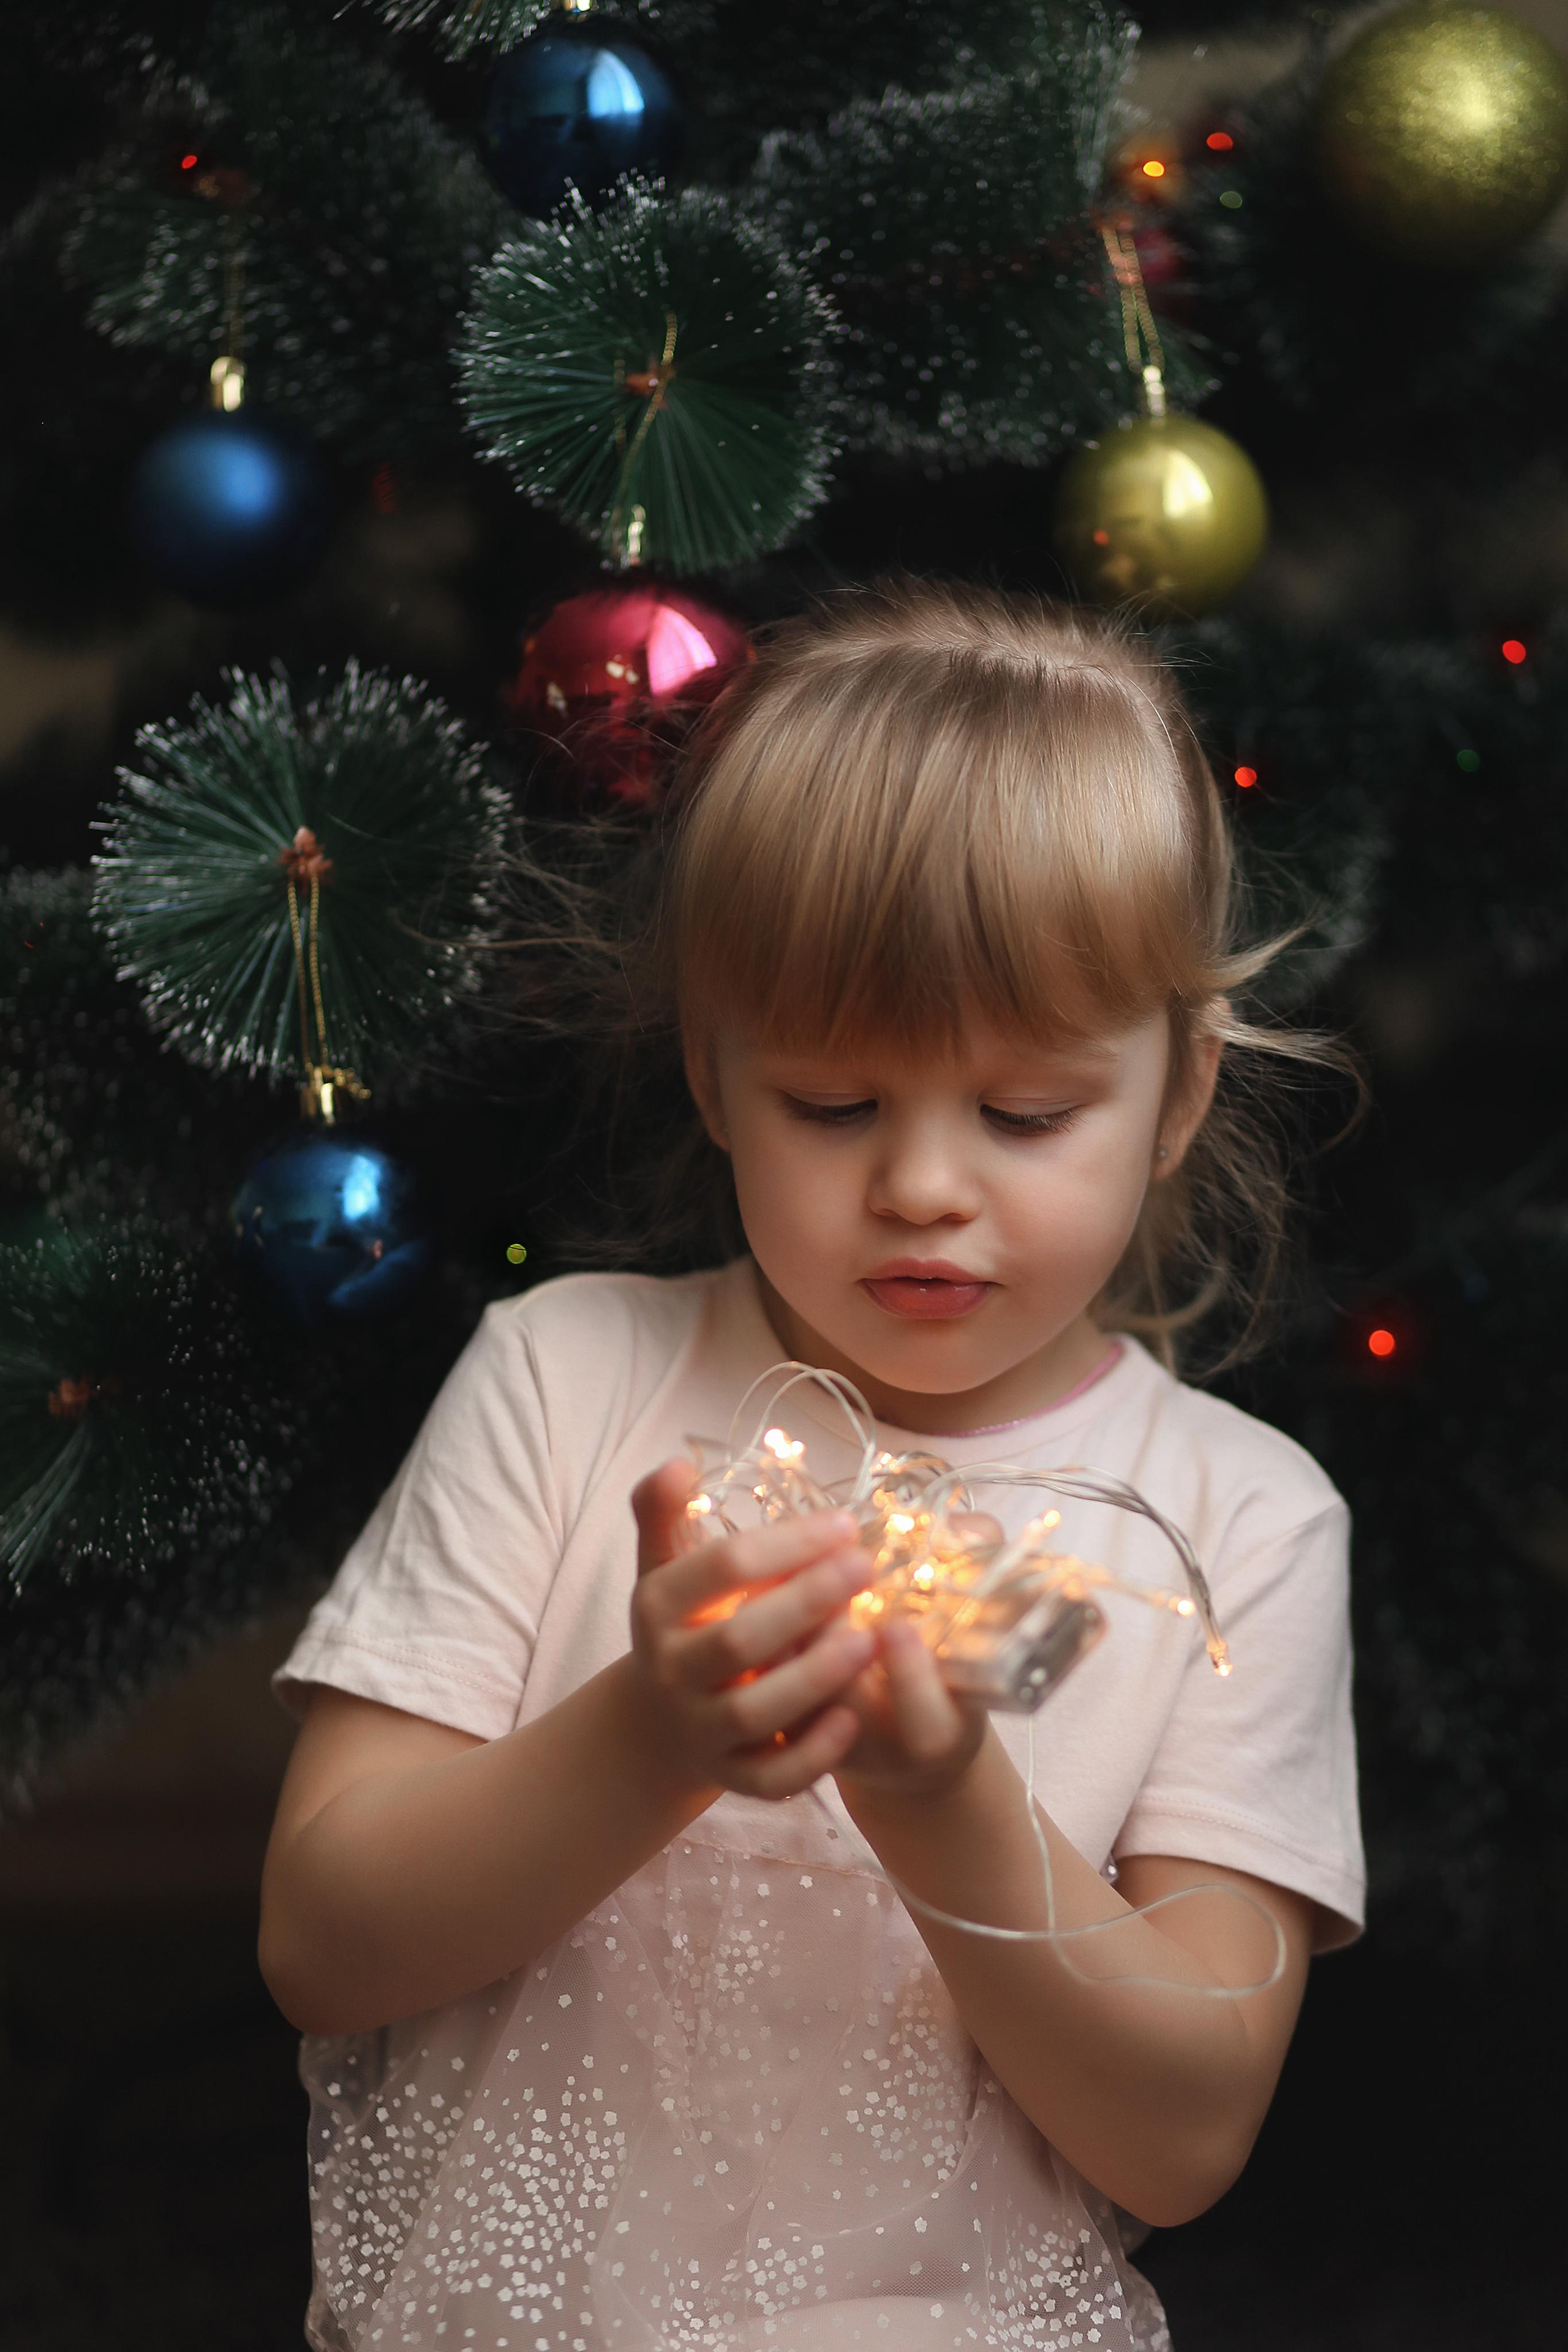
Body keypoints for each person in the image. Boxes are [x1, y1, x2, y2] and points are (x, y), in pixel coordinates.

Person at [260, 579, 1365, 2352]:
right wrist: (651, 1734)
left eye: (1024, 1113)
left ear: (1176, 1097)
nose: (924, 1185)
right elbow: (324, 1939)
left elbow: (1186, 2129)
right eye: (835, 1106)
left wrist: (948, 1808)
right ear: (713, 1068)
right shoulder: (567, 1379)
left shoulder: (1240, 1521)